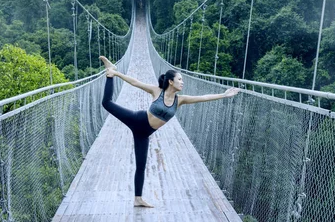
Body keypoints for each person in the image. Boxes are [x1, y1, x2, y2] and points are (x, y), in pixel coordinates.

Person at [99, 56, 239, 208]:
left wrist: (224, 95)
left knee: (141, 166)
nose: (182, 82)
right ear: (171, 81)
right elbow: (135, 82)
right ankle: (111, 71)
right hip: (137, 120)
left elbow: (203, 97)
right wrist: (117, 74)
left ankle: (138, 199)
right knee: (107, 103)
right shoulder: (157, 91)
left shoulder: (180, 100)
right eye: (180, 79)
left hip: (144, 134)